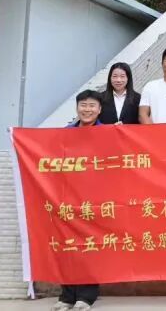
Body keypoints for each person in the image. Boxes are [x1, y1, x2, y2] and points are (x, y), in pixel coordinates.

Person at [53, 90, 103, 311]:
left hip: (94, 199)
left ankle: (86, 296)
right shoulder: (65, 133)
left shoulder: (107, 133)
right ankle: (66, 296)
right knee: (68, 248)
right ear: (77, 108)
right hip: (68, 198)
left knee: (89, 248)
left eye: (92, 105)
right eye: (83, 105)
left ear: (99, 110)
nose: (87, 109)